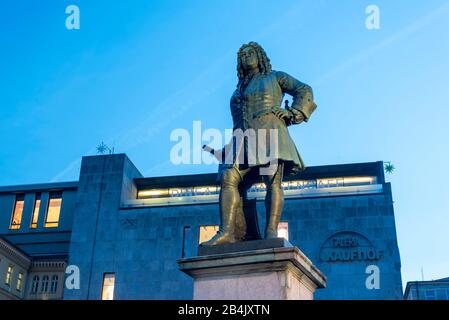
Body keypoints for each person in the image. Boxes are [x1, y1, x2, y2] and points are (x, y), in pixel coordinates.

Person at [202, 42, 317, 246]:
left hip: (269, 133)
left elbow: (303, 89)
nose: (245, 57)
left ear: (260, 56)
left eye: (250, 53)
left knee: (272, 182)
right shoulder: (239, 88)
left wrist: (295, 112)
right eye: (242, 55)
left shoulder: (275, 77)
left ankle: (271, 231)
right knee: (229, 177)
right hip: (240, 140)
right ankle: (228, 232)